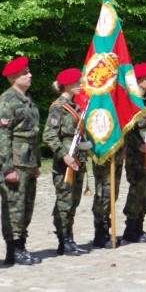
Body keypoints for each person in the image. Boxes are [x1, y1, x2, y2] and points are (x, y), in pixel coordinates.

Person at [43, 68, 91, 256]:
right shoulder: (59, 107)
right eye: (78, 83)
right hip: (65, 164)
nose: (81, 86)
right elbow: (49, 135)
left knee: (73, 202)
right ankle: (64, 241)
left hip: (77, 161)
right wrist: (64, 155)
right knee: (64, 202)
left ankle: (69, 238)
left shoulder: (76, 106)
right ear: (68, 85)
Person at [0, 57, 42, 265]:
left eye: (29, 71)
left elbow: (34, 134)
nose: (30, 75)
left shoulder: (28, 100)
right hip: (15, 162)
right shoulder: (7, 101)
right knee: (14, 206)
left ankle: (21, 245)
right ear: (13, 77)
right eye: (25, 72)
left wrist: (37, 164)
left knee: (27, 205)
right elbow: (3, 136)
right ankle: (13, 249)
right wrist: (7, 168)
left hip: (29, 161)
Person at [122, 63, 146, 243]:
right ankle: (131, 227)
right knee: (138, 189)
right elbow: (127, 130)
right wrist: (139, 145)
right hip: (136, 155)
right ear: (138, 81)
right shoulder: (130, 102)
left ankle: (140, 224)